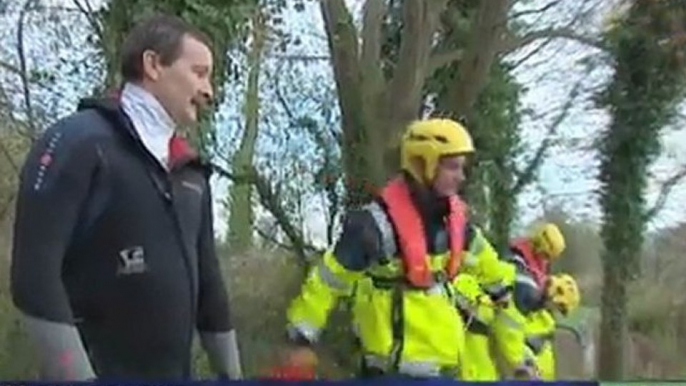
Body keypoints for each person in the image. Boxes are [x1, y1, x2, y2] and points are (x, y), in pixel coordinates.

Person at [10, 14, 242, 381]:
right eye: (199, 72)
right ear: (153, 65)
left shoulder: (192, 171)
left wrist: (232, 375)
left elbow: (210, 285)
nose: (209, 90)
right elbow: (33, 276)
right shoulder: (79, 143)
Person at [281, 118, 507, 379]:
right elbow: (329, 279)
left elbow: (482, 255)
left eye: (462, 168)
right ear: (423, 162)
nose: (461, 176)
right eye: (452, 167)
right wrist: (300, 338)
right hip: (391, 370)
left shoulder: (453, 221)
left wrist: (500, 289)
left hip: (444, 368)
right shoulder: (375, 226)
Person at [492, 223, 569, 379]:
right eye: (546, 255)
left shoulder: (532, 265)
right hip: (510, 354)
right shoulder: (521, 275)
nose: (546, 260)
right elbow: (510, 323)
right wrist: (520, 364)